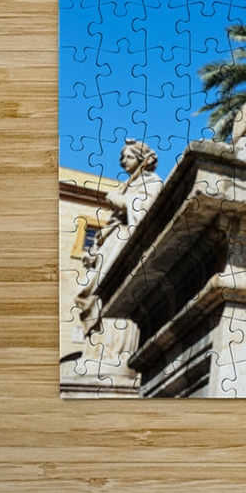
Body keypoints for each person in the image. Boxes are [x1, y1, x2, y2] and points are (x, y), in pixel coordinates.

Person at [73, 140, 164, 344]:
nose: (123, 161)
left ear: (141, 159)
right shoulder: (129, 183)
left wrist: (119, 200)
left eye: (129, 156)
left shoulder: (153, 181)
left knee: (107, 287)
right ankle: (95, 337)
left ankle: (111, 342)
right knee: (93, 289)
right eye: (122, 157)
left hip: (125, 240)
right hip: (113, 239)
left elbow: (146, 210)